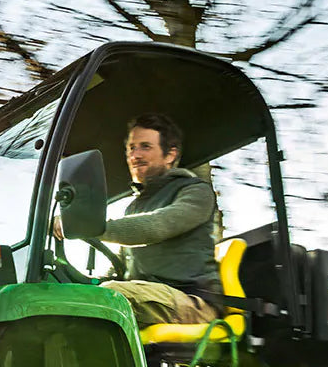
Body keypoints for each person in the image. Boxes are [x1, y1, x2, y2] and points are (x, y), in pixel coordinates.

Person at [57, 112, 221, 327]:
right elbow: (123, 267)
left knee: (108, 298)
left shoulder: (195, 192)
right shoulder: (134, 207)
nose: (135, 155)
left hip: (192, 302)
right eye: (131, 148)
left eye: (145, 146)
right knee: (69, 296)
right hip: (150, 297)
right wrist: (90, 283)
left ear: (170, 154)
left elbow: (156, 226)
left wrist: (88, 225)